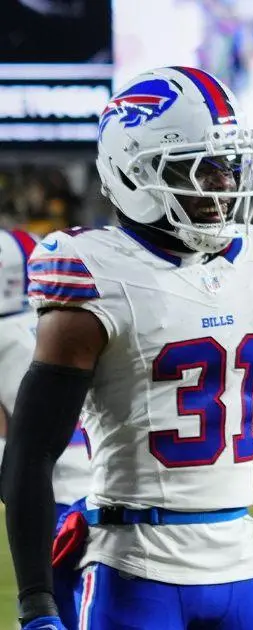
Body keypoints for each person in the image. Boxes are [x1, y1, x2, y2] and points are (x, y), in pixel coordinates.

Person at [0, 66, 253, 630]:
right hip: (133, 566)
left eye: (226, 166)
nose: (222, 186)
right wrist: (37, 605)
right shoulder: (97, 270)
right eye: (195, 168)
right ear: (132, 174)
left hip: (241, 561)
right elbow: (30, 450)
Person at [0, 228, 92, 629]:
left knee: (58, 612)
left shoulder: (5, 338)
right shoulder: (67, 323)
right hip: (107, 488)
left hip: (49, 497)